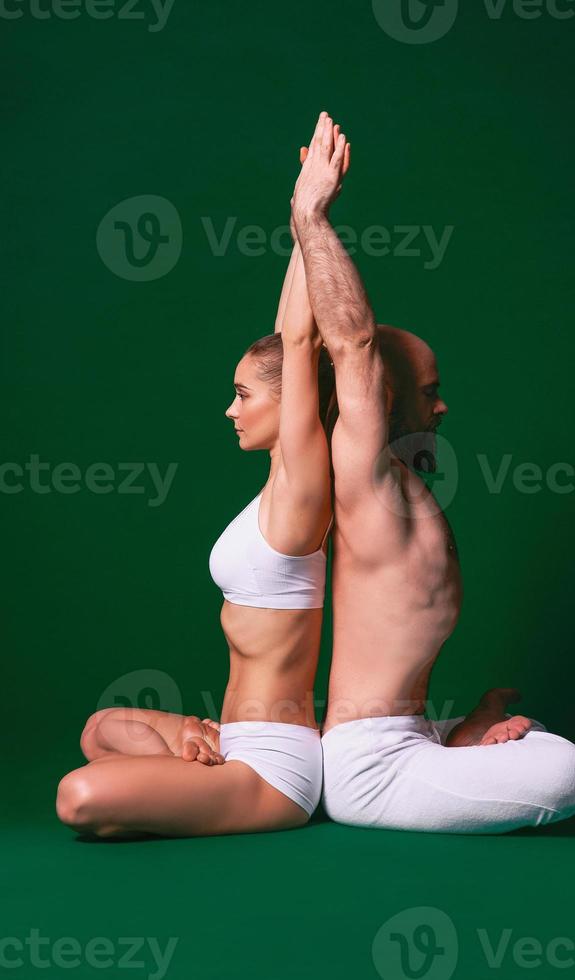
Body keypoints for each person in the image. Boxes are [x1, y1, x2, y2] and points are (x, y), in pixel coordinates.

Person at [291, 111, 575, 834]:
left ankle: (450, 738)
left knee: (536, 738)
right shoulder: (366, 479)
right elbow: (355, 342)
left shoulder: (398, 483)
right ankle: (448, 746)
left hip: (402, 737)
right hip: (369, 768)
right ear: (385, 398)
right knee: (568, 771)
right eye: (429, 392)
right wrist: (310, 212)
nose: (445, 405)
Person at [54, 129, 349, 838]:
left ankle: (196, 774)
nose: (230, 408)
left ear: (292, 404)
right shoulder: (269, 498)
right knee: (103, 726)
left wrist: (309, 216)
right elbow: (288, 339)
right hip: (235, 732)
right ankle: (194, 747)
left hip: (275, 769)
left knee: (79, 798)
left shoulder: (300, 488)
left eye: (245, 394)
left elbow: (298, 338)